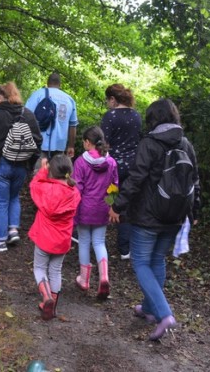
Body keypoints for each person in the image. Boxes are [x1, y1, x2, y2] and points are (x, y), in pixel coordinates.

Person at [109, 98, 201, 341]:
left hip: (148, 216)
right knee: (157, 259)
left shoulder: (149, 143)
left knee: (140, 262)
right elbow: (195, 181)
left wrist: (118, 206)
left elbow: (136, 179)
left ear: (153, 119)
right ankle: (150, 309)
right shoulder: (186, 143)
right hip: (175, 216)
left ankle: (164, 314)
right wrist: (195, 213)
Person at [0, 82, 42, 252]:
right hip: (21, 165)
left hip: (0, 165)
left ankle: (1, 240)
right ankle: (13, 230)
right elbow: (37, 141)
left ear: (1, 97)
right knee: (14, 197)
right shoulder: (28, 114)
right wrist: (30, 164)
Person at [27, 155, 81, 320]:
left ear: (51, 171)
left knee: (39, 268)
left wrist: (43, 170)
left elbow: (34, 185)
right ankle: (53, 305)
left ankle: (46, 297)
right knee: (56, 270)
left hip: (44, 238)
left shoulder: (45, 189)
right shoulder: (74, 192)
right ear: (69, 171)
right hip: (62, 239)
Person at [71, 126, 118, 300]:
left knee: (84, 241)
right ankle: (104, 276)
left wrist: (73, 210)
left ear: (87, 143)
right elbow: (115, 186)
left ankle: (84, 279)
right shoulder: (111, 162)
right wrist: (112, 206)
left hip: (85, 207)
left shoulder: (80, 162)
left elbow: (78, 188)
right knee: (99, 242)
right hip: (103, 207)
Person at [102, 84, 143, 260]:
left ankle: (97, 240)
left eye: (108, 100)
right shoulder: (136, 115)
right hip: (133, 166)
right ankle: (125, 248)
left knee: (108, 199)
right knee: (125, 204)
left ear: (113, 99)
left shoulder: (110, 116)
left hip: (114, 167)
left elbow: (104, 144)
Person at [24, 72, 79, 170]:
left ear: (47, 83)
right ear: (60, 84)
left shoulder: (38, 94)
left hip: (39, 144)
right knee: (56, 176)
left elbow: (26, 117)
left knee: (38, 176)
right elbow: (73, 125)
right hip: (60, 146)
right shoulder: (70, 100)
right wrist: (71, 146)